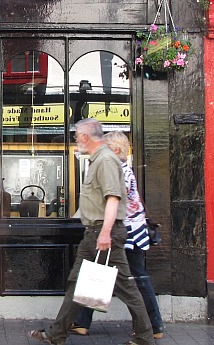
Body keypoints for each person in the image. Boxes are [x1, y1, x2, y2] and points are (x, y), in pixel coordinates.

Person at [28, 118, 155, 345]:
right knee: (77, 282)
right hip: (94, 233)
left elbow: (113, 199)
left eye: (77, 135)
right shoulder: (98, 159)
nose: (76, 139)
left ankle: (145, 336)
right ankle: (57, 334)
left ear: (86, 136)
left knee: (126, 287)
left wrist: (105, 234)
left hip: (104, 233)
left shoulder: (105, 160)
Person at [70, 131, 165, 339]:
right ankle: (153, 326)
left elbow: (111, 202)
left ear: (115, 150)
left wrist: (103, 229)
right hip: (130, 231)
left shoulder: (118, 171)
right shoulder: (123, 169)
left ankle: (152, 326)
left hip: (123, 232)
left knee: (127, 279)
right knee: (114, 275)